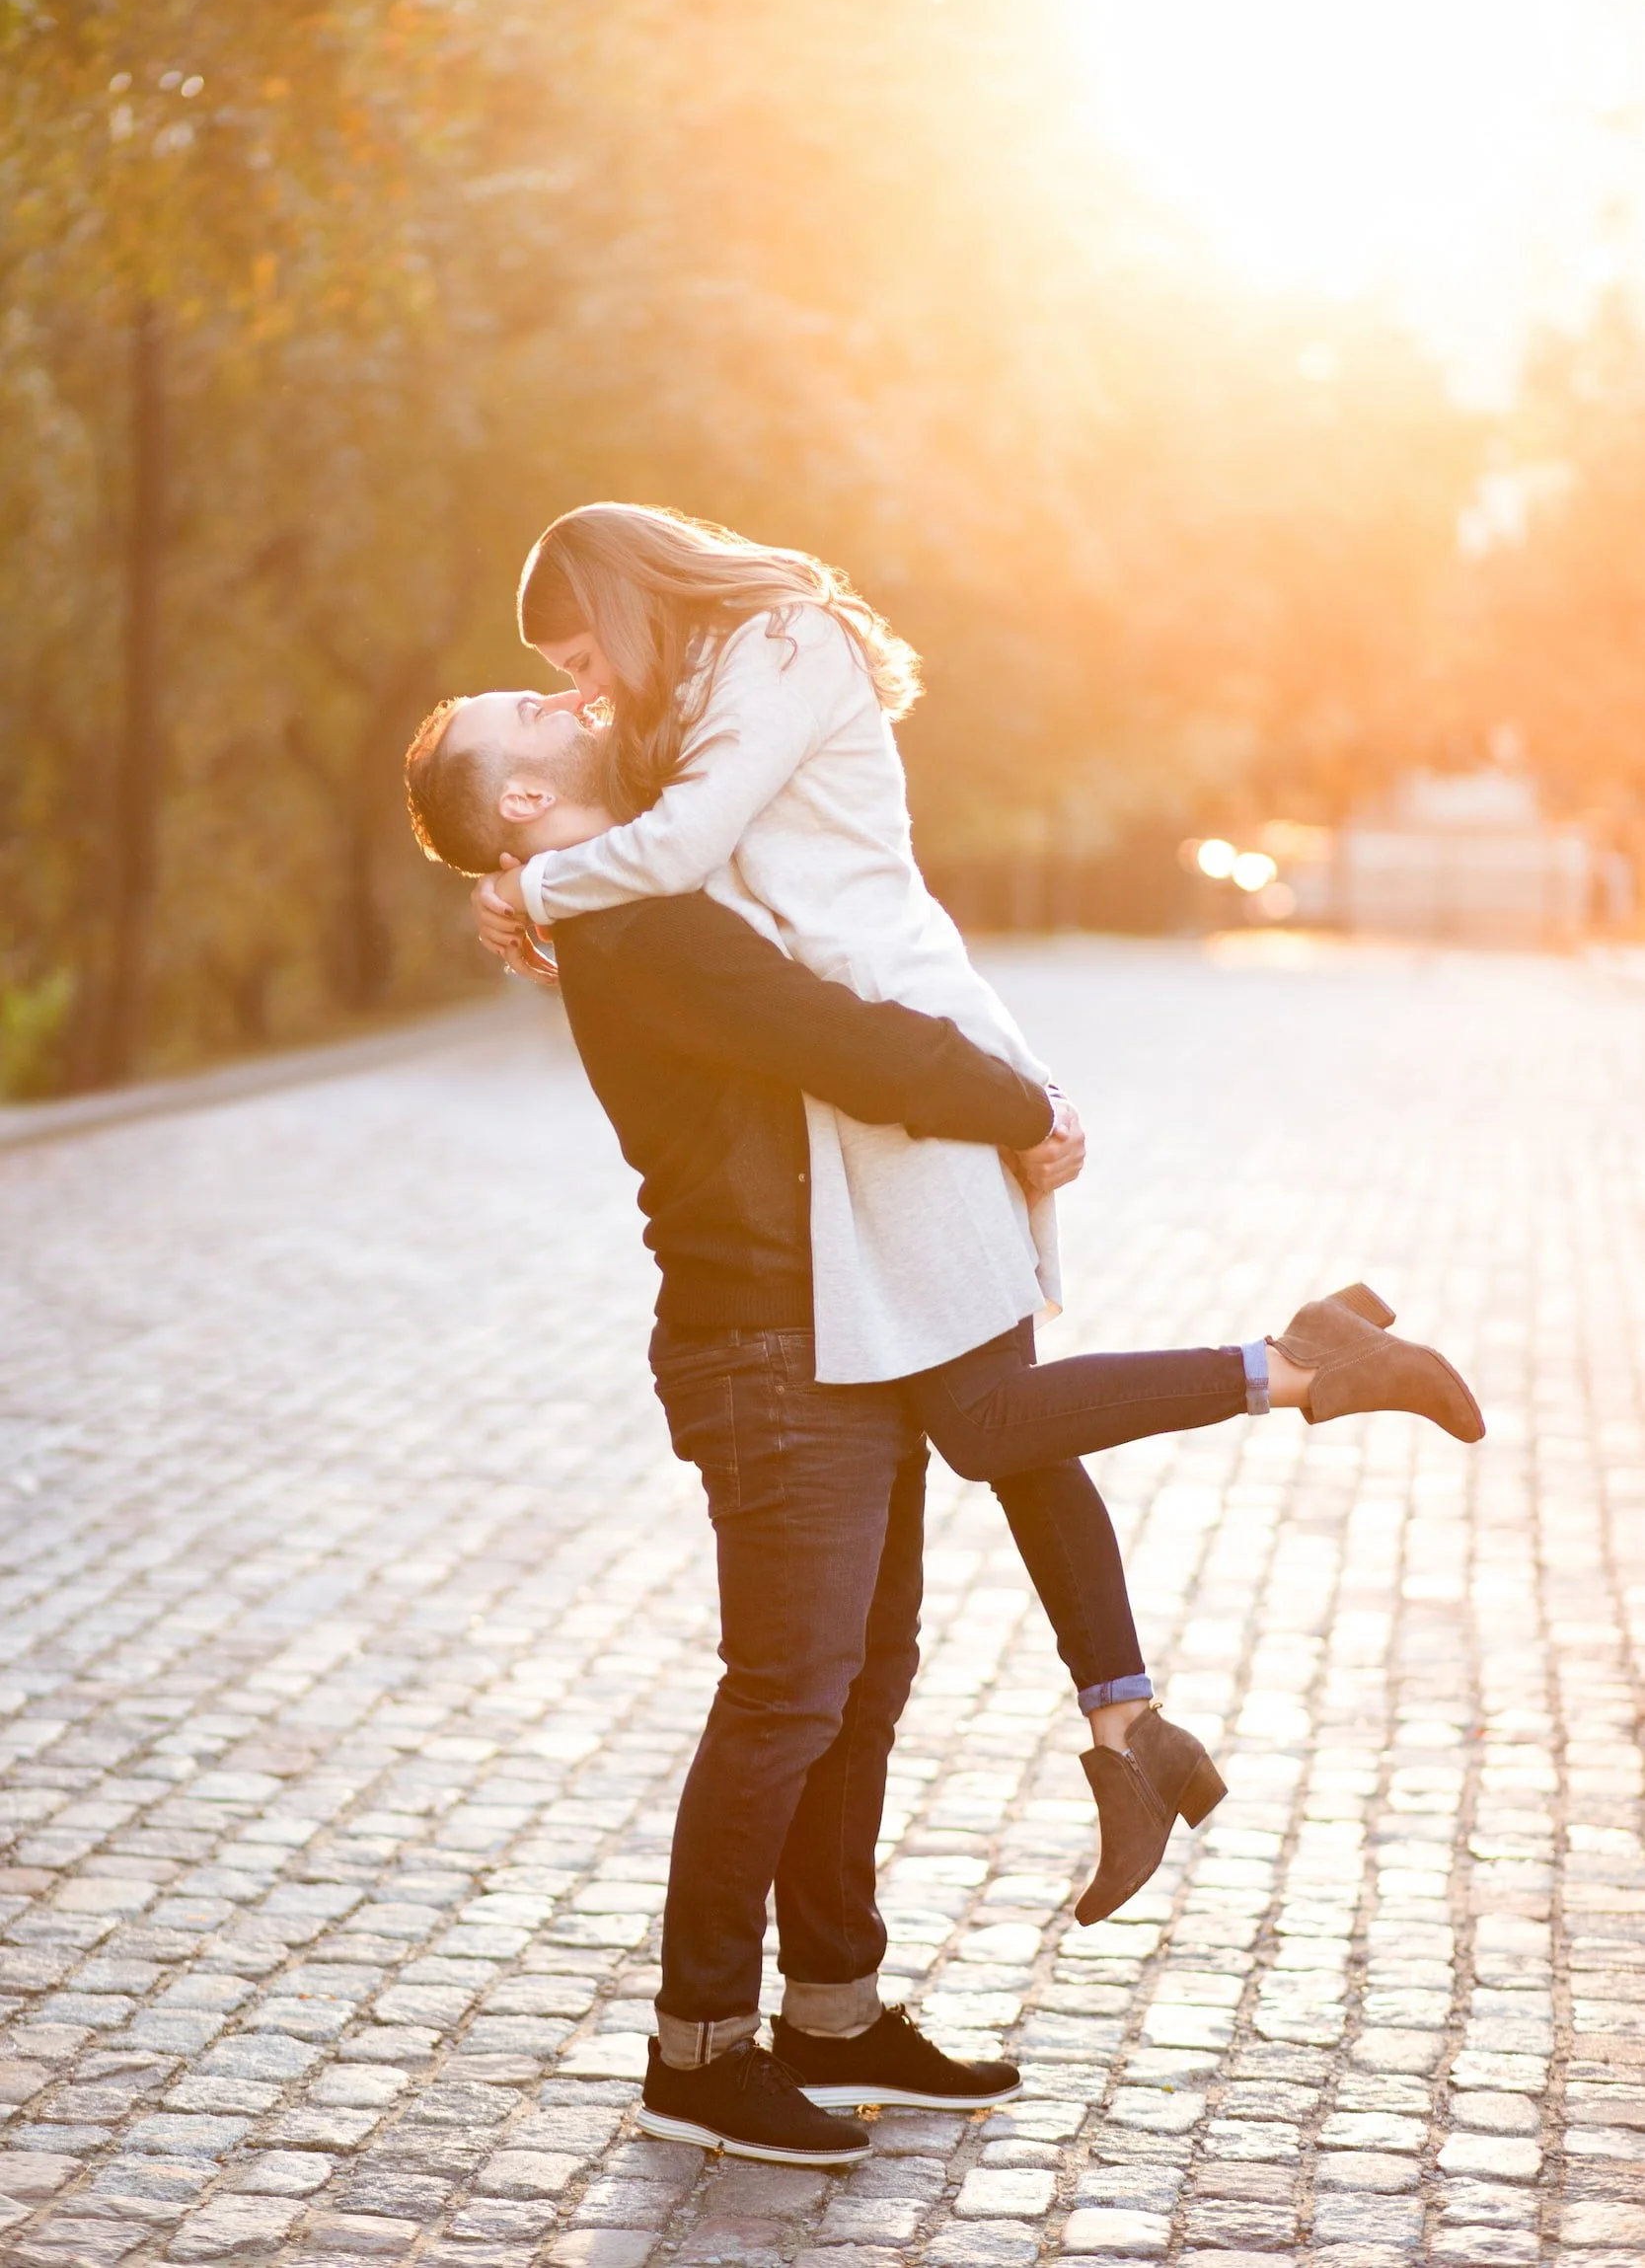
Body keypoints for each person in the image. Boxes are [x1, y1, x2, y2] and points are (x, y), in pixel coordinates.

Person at [404, 686, 1484, 2168]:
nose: (559, 696)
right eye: (523, 708)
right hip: (762, 1346)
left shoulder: (643, 883)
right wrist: (1014, 1104)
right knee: (786, 1695)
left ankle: (834, 2018)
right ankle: (698, 2049)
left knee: (858, 1683)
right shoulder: (635, 923)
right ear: (516, 800)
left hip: (835, 1320)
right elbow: (828, 1034)